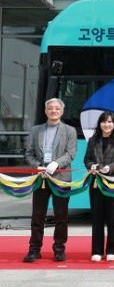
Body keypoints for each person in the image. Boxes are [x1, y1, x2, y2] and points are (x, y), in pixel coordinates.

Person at [23, 98, 77, 263]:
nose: (54, 111)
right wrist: (37, 166)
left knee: (61, 216)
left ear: (62, 111)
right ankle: (34, 250)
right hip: (41, 178)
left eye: (57, 108)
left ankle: (59, 249)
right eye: (50, 108)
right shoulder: (36, 130)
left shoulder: (70, 131)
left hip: (61, 179)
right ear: (46, 111)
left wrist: (56, 164)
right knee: (37, 215)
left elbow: (71, 153)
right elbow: (28, 153)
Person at [83, 111, 114, 262]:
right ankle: (96, 251)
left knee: (112, 218)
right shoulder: (92, 140)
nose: (106, 124)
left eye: (109, 122)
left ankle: (111, 250)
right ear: (99, 124)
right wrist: (92, 166)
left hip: (113, 183)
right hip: (96, 183)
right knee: (97, 218)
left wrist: (109, 168)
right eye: (104, 121)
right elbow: (87, 159)